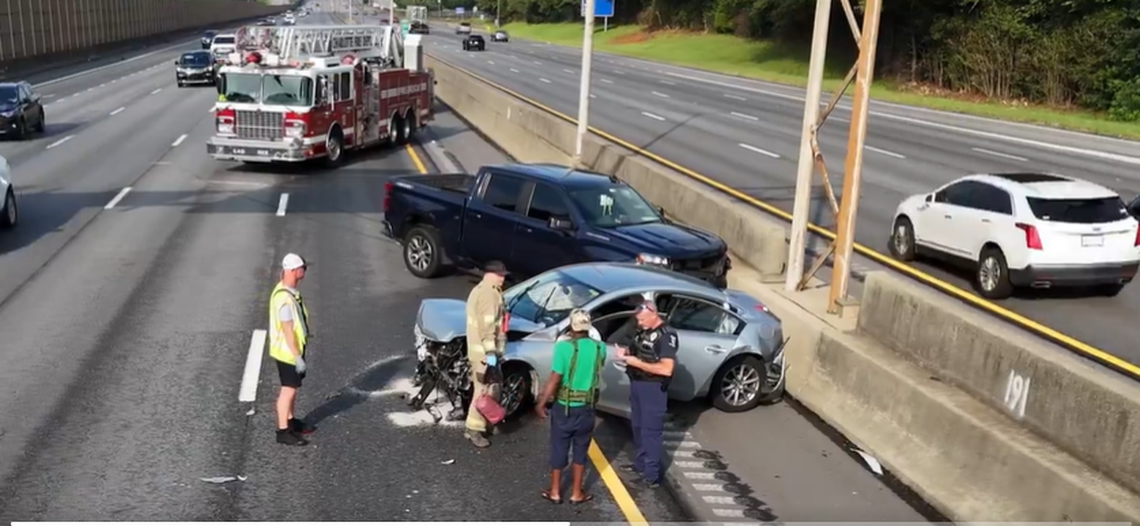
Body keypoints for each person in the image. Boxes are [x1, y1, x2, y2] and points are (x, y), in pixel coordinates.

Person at [535, 309, 606, 505]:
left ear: (571, 327)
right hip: (587, 408)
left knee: (559, 447)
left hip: (564, 407)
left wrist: (541, 403)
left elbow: (554, 379)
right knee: (581, 450)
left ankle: (556, 491)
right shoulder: (600, 348)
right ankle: (576, 493)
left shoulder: (563, 348)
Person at [615, 299, 677, 488]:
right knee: (638, 426)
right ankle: (640, 463)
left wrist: (636, 363)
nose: (639, 323)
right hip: (637, 383)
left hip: (653, 387)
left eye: (642, 320)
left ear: (653, 314)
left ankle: (651, 476)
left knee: (651, 432)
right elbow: (636, 348)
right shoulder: (643, 331)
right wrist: (625, 352)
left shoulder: (667, 336)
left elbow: (667, 369)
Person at [268, 253, 315, 446]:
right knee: (288, 390)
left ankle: (290, 420)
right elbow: (287, 330)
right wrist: (297, 357)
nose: (304, 271)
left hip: (291, 350)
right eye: (303, 267)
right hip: (288, 352)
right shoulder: (284, 300)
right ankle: (283, 431)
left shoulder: (286, 291)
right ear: (295, 271)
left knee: (293, 389)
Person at [464, 260, 509, 448]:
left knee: (484, 389)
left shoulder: (482, 290)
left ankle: (482, 423)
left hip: (479, 352)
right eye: (501, 275)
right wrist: (491, 352)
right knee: (482, 392)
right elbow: (487, 329)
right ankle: (474, 429)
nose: (503, 278)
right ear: (492, 274)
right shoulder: (489, 295)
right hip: (483, 354)